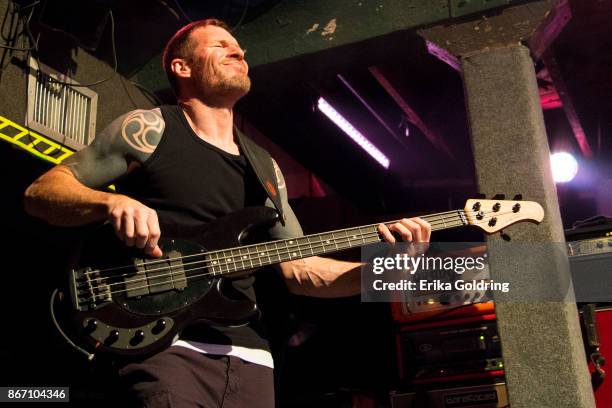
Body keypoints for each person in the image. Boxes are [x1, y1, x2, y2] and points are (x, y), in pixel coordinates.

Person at [24, 18, 431, 408]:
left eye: (239, 48)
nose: (237, 51)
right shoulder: (149, 128)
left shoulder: (265, 167)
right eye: (220, 45)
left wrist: (385, 272)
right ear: (181, 67)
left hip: (252, 359)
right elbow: (41, 192)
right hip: (166, 345)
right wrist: (112, 201)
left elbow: (301, 271)